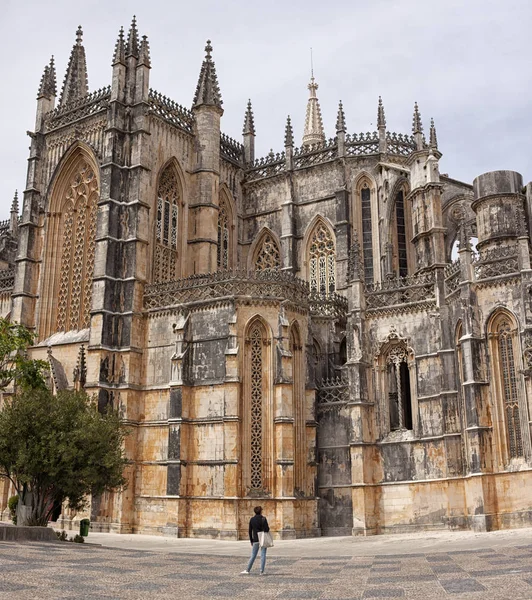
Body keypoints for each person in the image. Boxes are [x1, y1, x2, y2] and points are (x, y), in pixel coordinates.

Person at [241, 506, 270, 575]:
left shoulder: (252, 519)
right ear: (261, 511)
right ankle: (261, 571)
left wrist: (251, 540)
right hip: (262, 538)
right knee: (263, 555)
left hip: (255, 539)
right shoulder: (263, 519)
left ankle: (247, 570)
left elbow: (250, 531)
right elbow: (267, 529)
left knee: (253, 555)